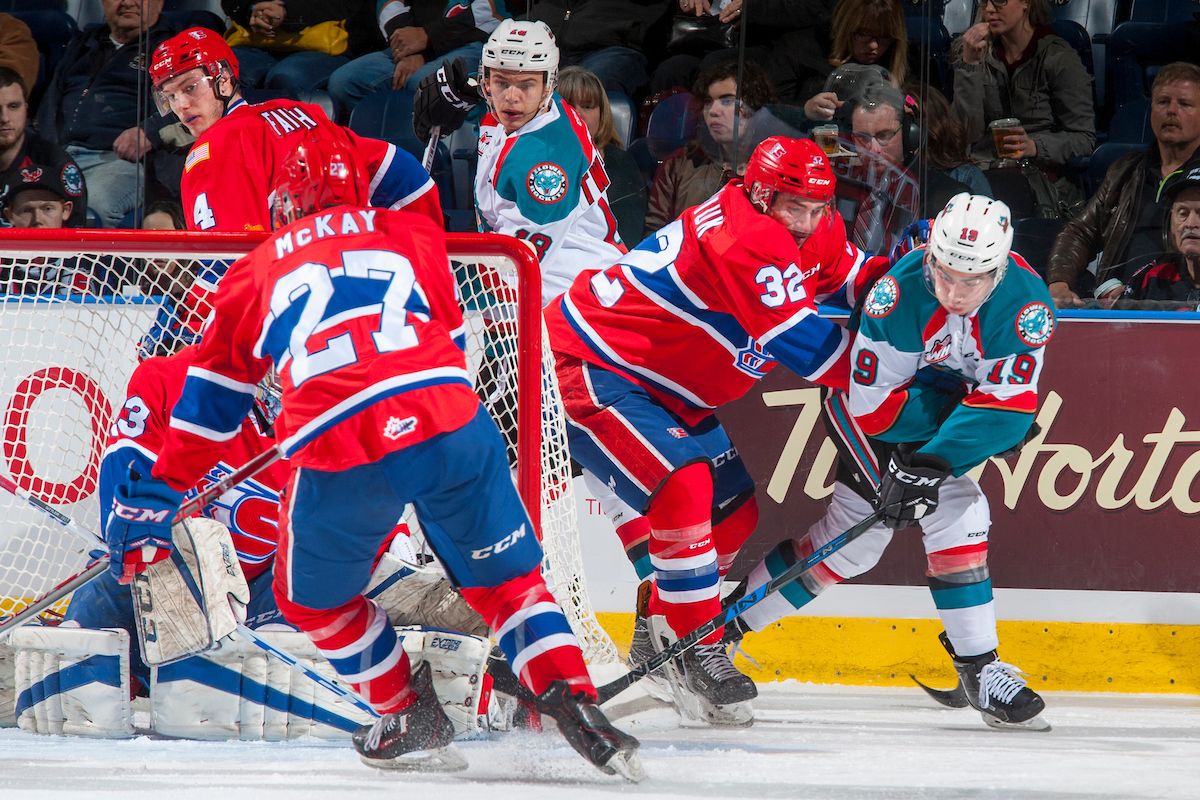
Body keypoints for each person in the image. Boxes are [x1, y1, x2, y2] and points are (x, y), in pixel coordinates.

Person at [103, 130, 642, 779]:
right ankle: (578, 702)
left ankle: (406, 710)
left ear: (282, 204)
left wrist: (164, 487)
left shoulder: (257, 267)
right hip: (451, 418)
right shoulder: (417, 234)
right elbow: (445, 331)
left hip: (340, 436)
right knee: (509, 583)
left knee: (312, 602)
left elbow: (209, 405)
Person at [545, 136, 888, 725]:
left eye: (817, 210)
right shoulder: (743, 238)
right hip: (593, 362)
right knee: (684, 486)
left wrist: (922, 285)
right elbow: (811, 350)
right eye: (794, 208)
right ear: (760, 195)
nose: (807, 223)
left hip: (667, 385)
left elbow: (860, 280)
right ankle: (696, 644)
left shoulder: (810, 226)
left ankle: (660, 632)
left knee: (735, 516)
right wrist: (906, 367)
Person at [726, 193, 1054, 731]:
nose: (953, 293)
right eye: (944, 274)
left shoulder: (1027, 306)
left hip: (928, 419)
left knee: (860, 540)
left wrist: (952, 446)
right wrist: (959, 436)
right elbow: (875, 409)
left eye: (971, 282)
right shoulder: (896, 294)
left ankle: (723, 630)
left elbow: (1009, 408)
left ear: (998, 271)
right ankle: (979, 666)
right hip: (868, 413)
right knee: (943, 513)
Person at [149, 27, 440, 235]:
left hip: (295, 289)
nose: (181, 105)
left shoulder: (214, 146)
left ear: (223, 79)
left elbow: (222, 266)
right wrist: (427, 245)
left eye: (190, 87)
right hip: (360, 275)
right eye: (170, 96)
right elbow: (398, 168)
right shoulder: (299, 112)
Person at [413, 20, 625, 303]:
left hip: (573, 294)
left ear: (548, 86)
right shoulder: (533, 106)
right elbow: (511, 81)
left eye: (526, 85)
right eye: (501, 82)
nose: (511, 97)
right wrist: (466, 91)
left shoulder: (545, 165)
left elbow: (515, 268)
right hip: (545, 273)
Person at [1047, 63, 1200, 306]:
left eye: (1184, 104)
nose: (1171, 111)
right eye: (1163, 102)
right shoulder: (1126, 171)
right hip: (1119, 307)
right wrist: (1059, 284)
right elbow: (1081, 231)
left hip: (1183, 306)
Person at [34, 0, 184, 227]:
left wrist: (149, 131)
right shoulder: (85, 43)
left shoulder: (172, 47)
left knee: (93, 206)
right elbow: (50, 105)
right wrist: (43, 152)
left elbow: (188, 107)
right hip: (60, 156)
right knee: (20, 201)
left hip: (120, 162)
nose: (128, 2)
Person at [951, 0, 1095, 217]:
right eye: (984, 1)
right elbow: (965, 134)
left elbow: (1084, 138)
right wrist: (969, 67)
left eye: (999, 0)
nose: (989, 9)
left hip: (1039, 178)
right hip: (983, 171)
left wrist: (1034, 146)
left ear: (1026, 3)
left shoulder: (1058, 58)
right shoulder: (978, 53)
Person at [643, 60, 775, 236]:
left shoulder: (777, 170)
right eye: (708, 102)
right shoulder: (680, 163)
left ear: (754, 107)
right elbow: (654, 234)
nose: (713, 111)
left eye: (726, 101)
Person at [326, 0, 502, 122]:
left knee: (424, 85)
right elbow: (388, 3)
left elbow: (492, 13)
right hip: (415, 39)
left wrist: (428, 41)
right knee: (344, 82)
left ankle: (445, 157)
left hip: (473, 41)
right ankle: (381, 153)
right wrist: (407, 49)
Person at [557, 66, 648, 247]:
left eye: (588, 106)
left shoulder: (622, 165)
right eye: (568, 106)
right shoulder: (528, 161)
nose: (578, 114)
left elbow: (628, 239)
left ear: (602, 114)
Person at [220, 0, 380, 98]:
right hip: (255, 40)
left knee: (286, 78)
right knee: (223, 73)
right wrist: (253, 8)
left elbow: (350, 7)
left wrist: (287, 11)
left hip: (326, 46)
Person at [803, 0, 908, 123]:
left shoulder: (908, 72)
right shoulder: (806, 56)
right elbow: (782, 112)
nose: (873, 45)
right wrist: (805, 110)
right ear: (845, 28)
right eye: (864, 34)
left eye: (884, 37)